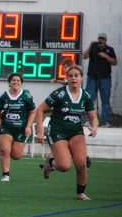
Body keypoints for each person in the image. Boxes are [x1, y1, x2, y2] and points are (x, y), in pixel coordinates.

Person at [36, 65, 98, 201]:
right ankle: (50, 162)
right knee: (64, 166)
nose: (73, 78)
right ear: (67, 78)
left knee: (82, 163)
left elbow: (93, 116)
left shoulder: (86, 96)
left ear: (82, 78)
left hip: (75, 131)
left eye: (76, 75)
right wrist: (40, 131)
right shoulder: (59, 94)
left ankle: (80, 193)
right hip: (57, 130)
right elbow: (39, 110)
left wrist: (94, 127)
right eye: (71, 76)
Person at [0, 73, 35, 182]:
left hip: (21, 128)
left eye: (18, 81)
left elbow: (32, 112)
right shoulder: (3, 96)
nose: (16, 82)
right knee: (4, 150)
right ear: (9, 82)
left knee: (16, 155)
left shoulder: (27, 96)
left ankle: (14, 146)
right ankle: (5, 175)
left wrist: (28, 126)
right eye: (13, 80)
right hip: (6, 127)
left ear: (21, 83)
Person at [82, 33, 117, 128]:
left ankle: (105, 121)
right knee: (90, 99)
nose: (100, 40)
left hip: (105, 78)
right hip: (92, 77)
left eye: (102, 39)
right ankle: (88, 121)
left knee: (105, 99)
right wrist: (90, 46)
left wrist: (105, 56)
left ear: (105, 40)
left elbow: (114, 62)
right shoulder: (93, 48)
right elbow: (84, 56)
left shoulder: (109, 49)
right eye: (99, 38)